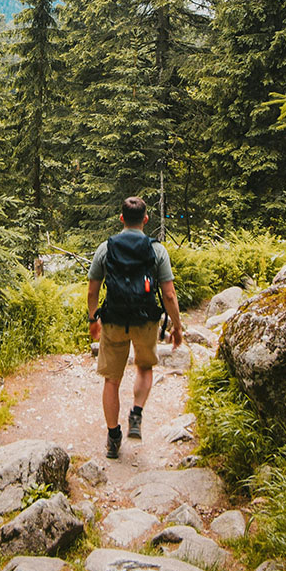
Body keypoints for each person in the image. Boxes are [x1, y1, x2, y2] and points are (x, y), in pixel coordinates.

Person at [87, 195, 184, 458]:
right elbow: (169, 294)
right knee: (144, 367)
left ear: (121, 219)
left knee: (111, 379)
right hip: (145, 320)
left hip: (114, 320)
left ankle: (113, 436)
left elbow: (93, 289)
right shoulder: (157, 250)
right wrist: (177, 327)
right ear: (145, 219)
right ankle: (137, 413)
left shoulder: (105, 249)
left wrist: (93, 319)